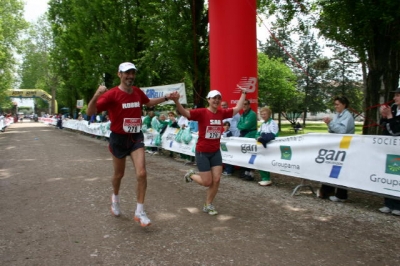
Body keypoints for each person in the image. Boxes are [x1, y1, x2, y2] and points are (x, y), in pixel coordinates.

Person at [87, 62, 178, 227]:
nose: (130, 76)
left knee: (142, 173)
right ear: (119, 74)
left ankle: (140, 211)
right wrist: (96, 95)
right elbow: (90, 112)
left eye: (132, 73)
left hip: (135, 137)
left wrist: (166, 98)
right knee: (118, 175)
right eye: (126, 73)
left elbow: (148, 103)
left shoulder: (137, 92)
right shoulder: (111, 94)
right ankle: (115, 198)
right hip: (118, 139)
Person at [173, 86, 247, 215]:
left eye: (219, 98)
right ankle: (191, 175)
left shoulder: (221, 113)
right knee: (207, 182)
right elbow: (186, 113)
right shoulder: (201, 112)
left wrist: (244, 93)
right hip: (202, 151)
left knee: (217, 179)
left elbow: (237, 108)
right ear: (208, 99)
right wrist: (176, 102)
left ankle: (208, 204)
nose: (217, 100)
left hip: (215, 152)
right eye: (214, 98)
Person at [317, 96, 355, 202]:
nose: (336, 106)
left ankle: (341, 194)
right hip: (337, 146)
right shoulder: (338, 115)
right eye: (335, 104)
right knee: (332, 167)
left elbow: (342, 130)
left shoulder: (347, 116)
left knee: (342, 169)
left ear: (344, 105)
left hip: (345, 146)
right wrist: (330, 124)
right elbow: (333, 129)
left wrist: (330, 123)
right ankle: (328, 191)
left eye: (338, 104)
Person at [378, 87, 400, 216]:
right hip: (389, 148)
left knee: (397, 174)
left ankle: (397, 204)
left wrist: (390, 117)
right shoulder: (393, 108)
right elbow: (384, 125)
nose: (395, 98)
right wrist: (384, 116)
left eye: (398, 95)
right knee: (388, 173)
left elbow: (396, 131)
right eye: (395, 95)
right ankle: (388, 203)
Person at [255, 107, 279, 186]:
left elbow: (274, 134)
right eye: (261, 114)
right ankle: (265, 178)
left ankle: (267, 178)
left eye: (264, 114)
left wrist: (263, 138)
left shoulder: (272, 123)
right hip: (263, 146)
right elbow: (257, 134)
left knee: (265, 161)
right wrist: (259, 137)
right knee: (260, 160)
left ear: (269, 114)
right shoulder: (263, 124)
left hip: (271, 145)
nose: (263, 115)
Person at [237, 99, 258, 181]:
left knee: (250, 154)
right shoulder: (242, 115)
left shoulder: (252, 114)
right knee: (244, 154)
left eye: (246, 104)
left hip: (250, 135)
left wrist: (242, 126)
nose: (244, 106)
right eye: (243, 104)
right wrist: (242, 125)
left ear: (249, 105)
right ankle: (245, 172)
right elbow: (238, 125)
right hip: (243, 135)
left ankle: (251, 173)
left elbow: (246, 126)